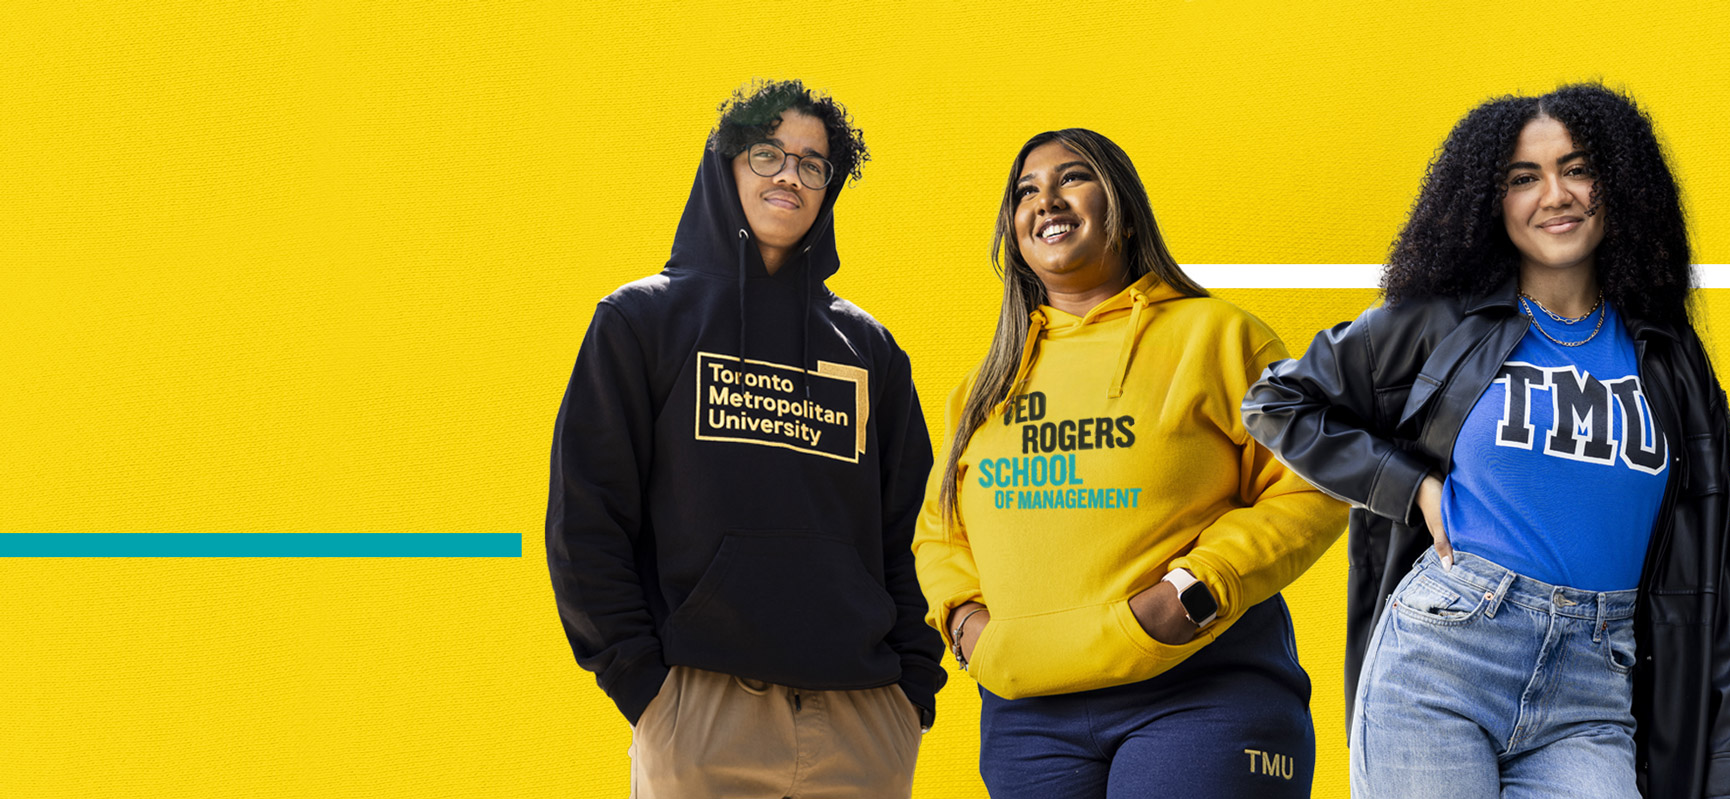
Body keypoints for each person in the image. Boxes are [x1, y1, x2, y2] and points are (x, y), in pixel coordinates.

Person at [1242, 83, 1730, 799]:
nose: (1556, 194)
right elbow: (1277, 400)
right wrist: (1409, 485)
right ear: (1491, 202)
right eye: (1524, 178)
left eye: (1577, 169)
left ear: (1616, 186)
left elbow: (1718, 579)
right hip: (1447, 653)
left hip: (1595, 683)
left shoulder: (1669, 358)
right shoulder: (1438, 325)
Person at [911, 129, 1346, 798]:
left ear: (1120, 202)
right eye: (1026, 191)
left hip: (1198, 692)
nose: (1046, 199)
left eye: (1071, 178)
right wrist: (969, 627)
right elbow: (940, 531)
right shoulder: (984, 387)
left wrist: (1193, 591)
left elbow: (1311, 481)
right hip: (1028, 716)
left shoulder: (1219, 336)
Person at [546, 80, 943, 799]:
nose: (790, 174)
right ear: (725, 166)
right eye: (768, 154)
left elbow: (914, 528)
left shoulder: (870, 349)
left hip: (862, 717)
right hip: (702, 711)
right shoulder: (640, 322)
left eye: (813, 163)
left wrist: (912, 688)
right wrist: (644, 686)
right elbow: (587, 515)